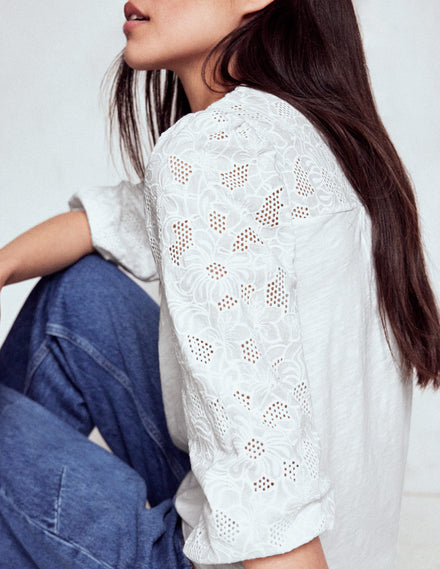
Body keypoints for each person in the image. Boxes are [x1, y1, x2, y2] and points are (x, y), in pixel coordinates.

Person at [0, 0, 439, 568]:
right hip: (345, 549)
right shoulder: (317, 136)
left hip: (264, 556)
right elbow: (108, 223)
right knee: (79, 296)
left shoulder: (212, 155)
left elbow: (269, 481)